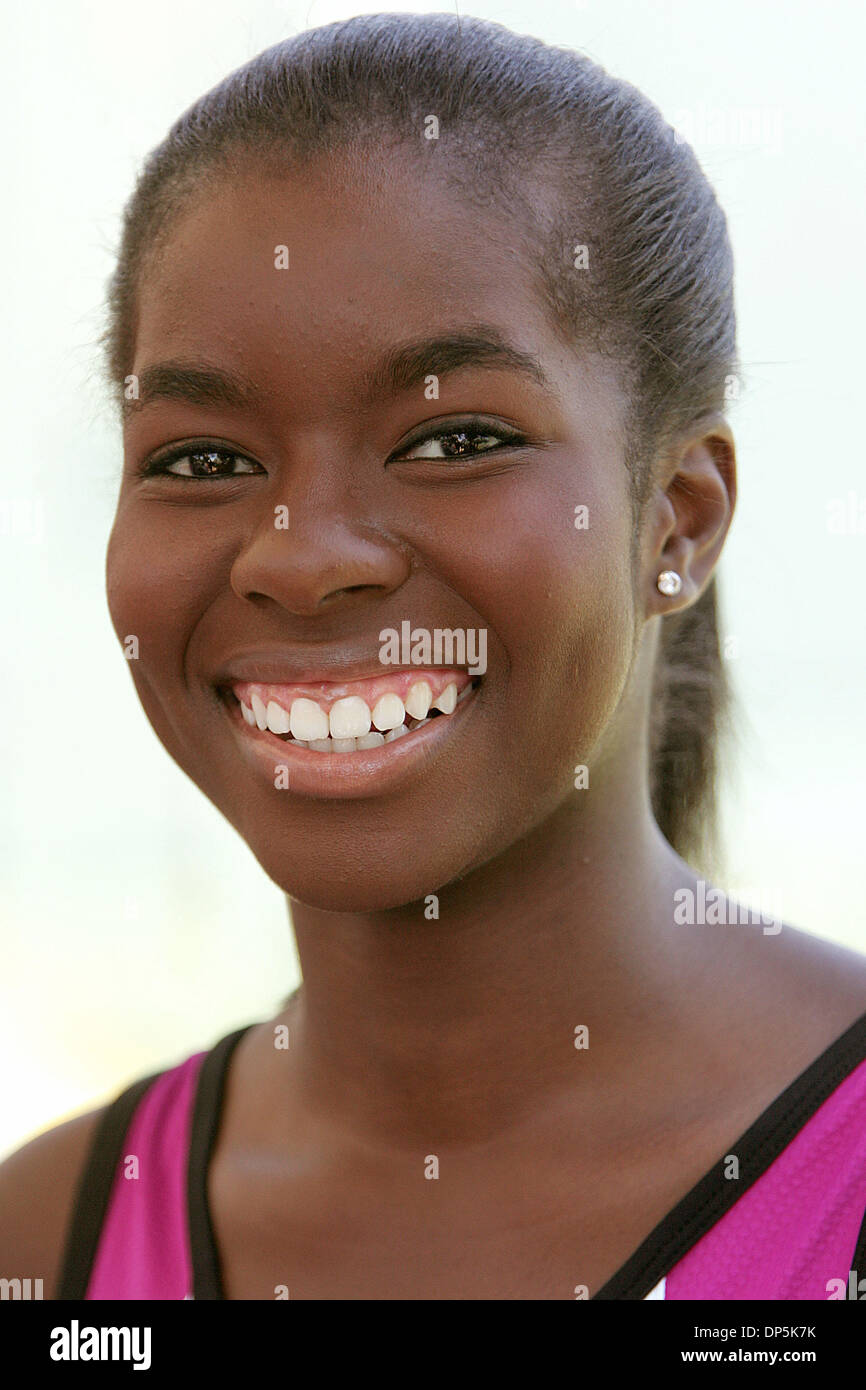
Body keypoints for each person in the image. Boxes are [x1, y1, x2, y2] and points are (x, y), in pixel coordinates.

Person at [2, 13, 865, 1301]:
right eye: (203, 460)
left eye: (455, 441)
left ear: (677, 516)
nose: (298, 559)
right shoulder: (48, 1240)